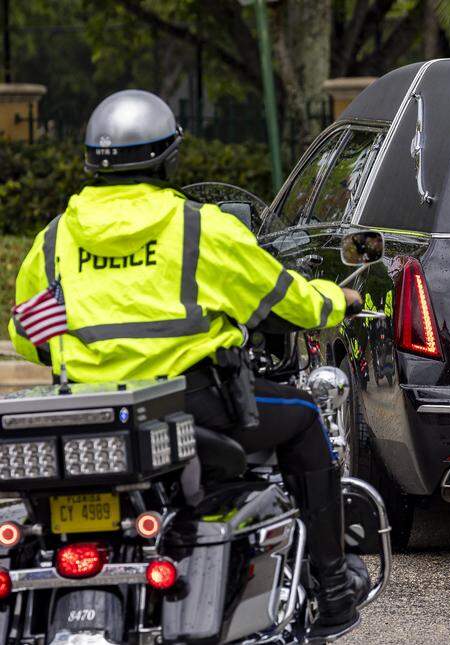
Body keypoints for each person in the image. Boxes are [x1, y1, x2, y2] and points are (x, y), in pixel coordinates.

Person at [8, 90, 366, 638]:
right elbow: (290, 300)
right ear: (167, 158)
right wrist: (337, 300)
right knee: (302, 416)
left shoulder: (55, 239)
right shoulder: (199, 229)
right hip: (192, 408)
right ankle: (333, 589)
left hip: (94, 418)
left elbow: (26, 334)